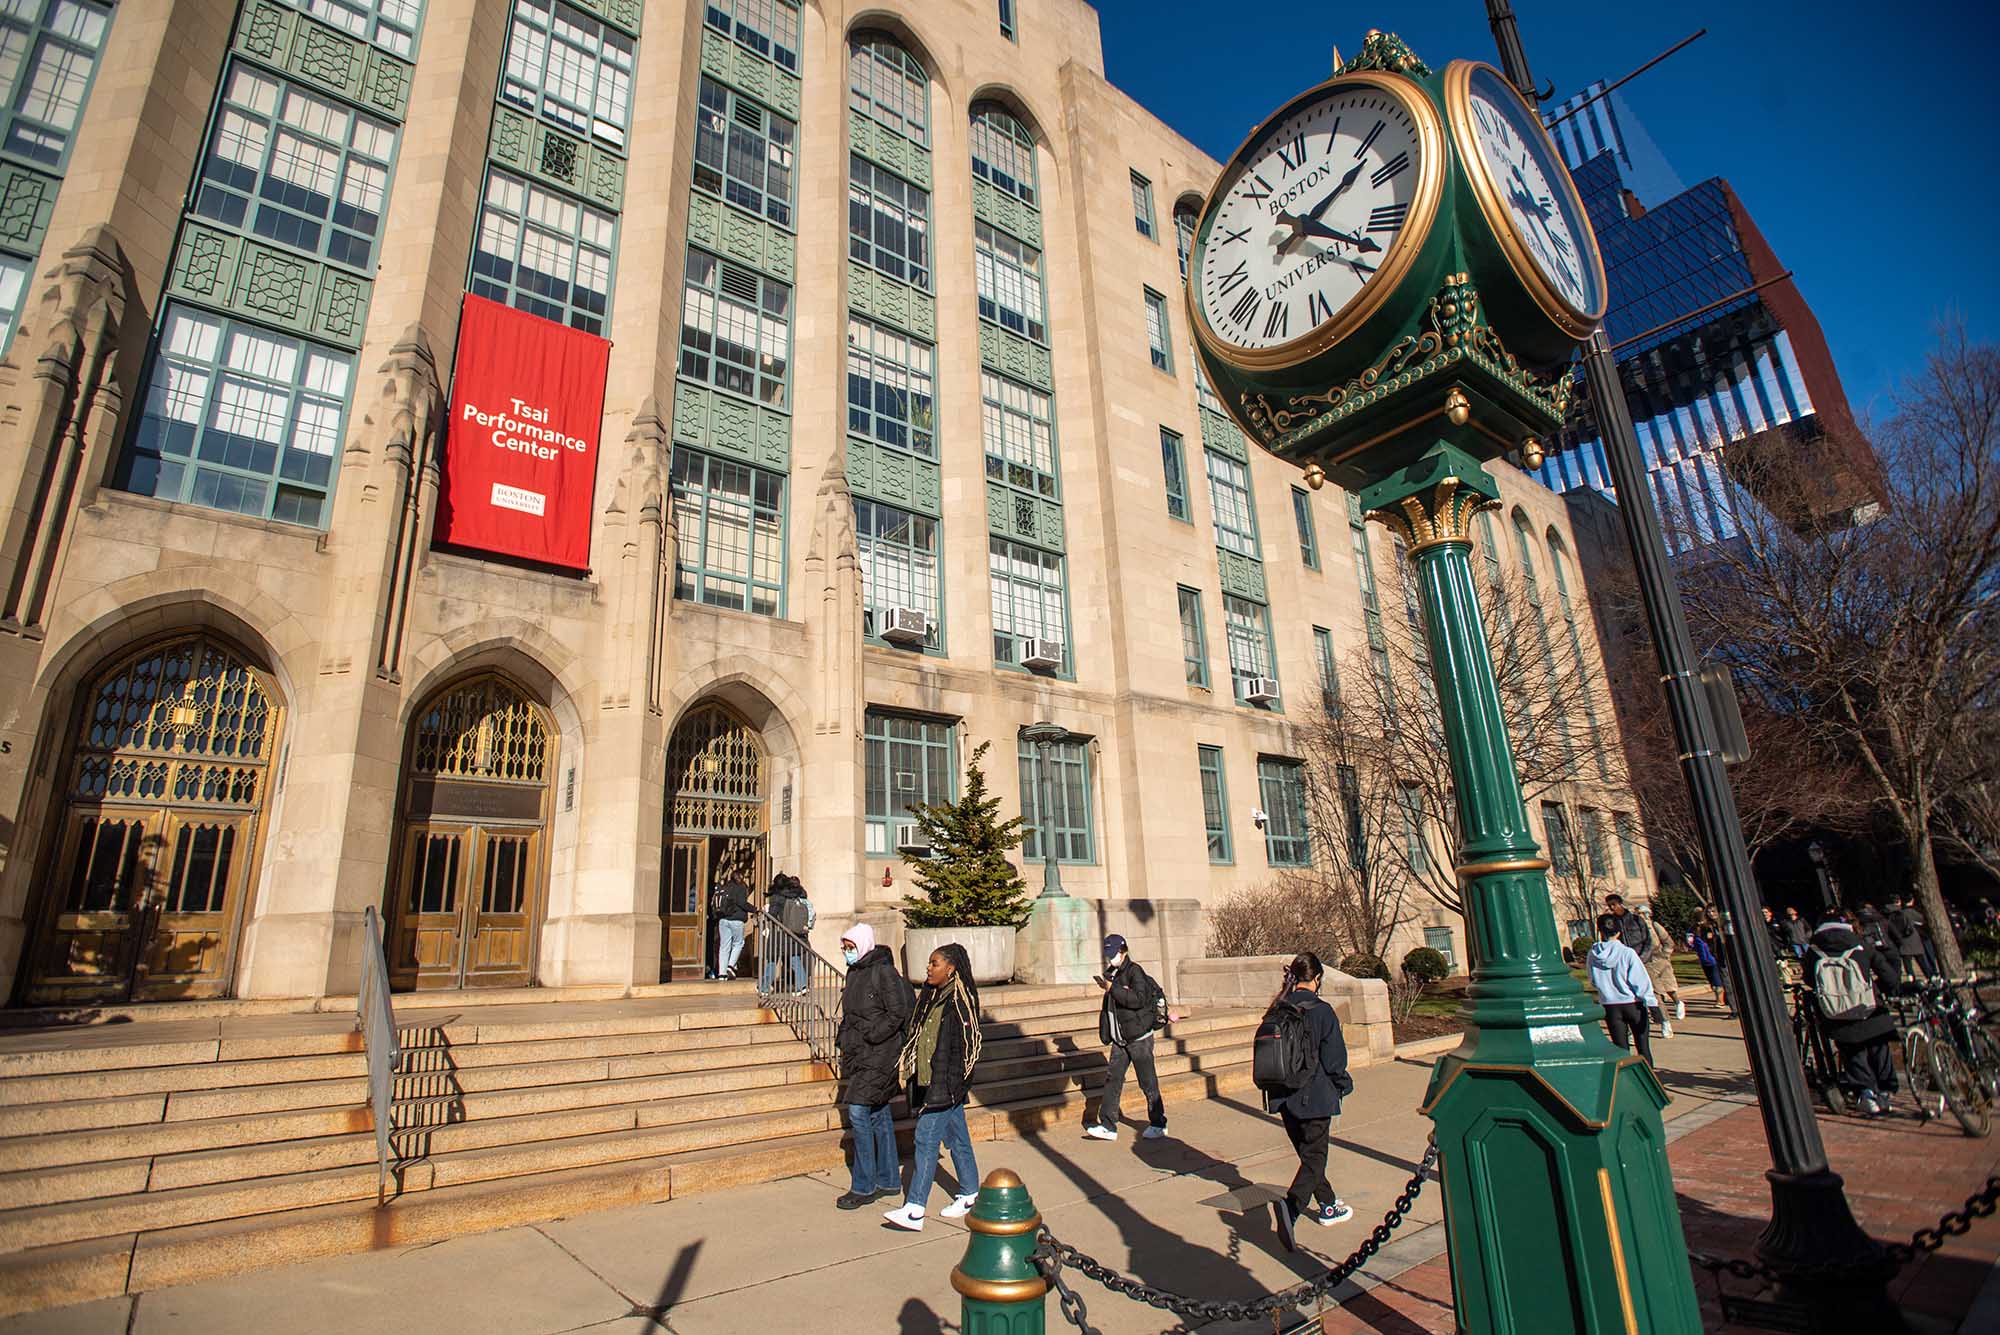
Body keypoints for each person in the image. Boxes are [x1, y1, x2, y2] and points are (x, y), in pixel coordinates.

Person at [884, 943, 983, 1231]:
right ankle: (970, 1192)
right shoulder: (930, 997)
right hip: (931, 1079)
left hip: (946, 1082)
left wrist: (956, 1081)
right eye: (929, 963)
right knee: (958, 1138)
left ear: (950, 968)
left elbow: (970, 1044)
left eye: (935, 963)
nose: (929, 968)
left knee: (925, 1139)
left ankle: (915, 1208)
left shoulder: (959, 999)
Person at [1264, 952, 1356, 1250]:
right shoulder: (1322, 1011)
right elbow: (1334, 1060)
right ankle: (1291, 1210)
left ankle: (1328, 1204)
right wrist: (1343, 1084)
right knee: (1315, 1159)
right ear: (1317, 979)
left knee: (1309, 1158)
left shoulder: (1277, 1009)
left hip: (1283, 1097)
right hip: (1314, 1096)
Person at [834, 923, 909, 1210]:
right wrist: (844, 1038)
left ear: (863, 945)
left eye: (850, 947)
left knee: (859, 1111)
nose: (846, 952)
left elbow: (897, 1012)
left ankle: (864, 1185)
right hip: (860, 1054)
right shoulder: (854, 974)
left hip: (881, 1054)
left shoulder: (884, 972)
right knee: (878, 1113)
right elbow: (850, 1015)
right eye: (844, 947)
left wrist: (874, 1035)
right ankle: (889, 1179)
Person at [1806, 907, 1903, 1117]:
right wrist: (1887, 989)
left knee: (1852, 1052)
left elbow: (1808, 979)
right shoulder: (1860, 944)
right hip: (1868, 1006)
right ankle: (1886, 1091)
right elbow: (1887, 973)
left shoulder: (1813, 949)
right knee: (1878, 1046)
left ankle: (1866, 1093)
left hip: (1835, 1011)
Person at [1086, 934, 1168, 1142]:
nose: (1110, 958)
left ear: (1123, 952)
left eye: (1113, 954)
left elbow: (1137, 999)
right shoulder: (1111, 974)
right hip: (1120, 1038)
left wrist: (1112, 989)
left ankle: (1158, 1122)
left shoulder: (1134, 972)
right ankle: (1108, 1125)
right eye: (1108, 954)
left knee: (1147, 1082)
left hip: (1139, 1037)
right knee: (1113, 1079)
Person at [1587, 913, 1656, 1066]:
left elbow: (1592, 979)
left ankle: (1626, 1084)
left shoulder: (1592, 954)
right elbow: (1640, 980)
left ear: (1600, 931)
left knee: (1621, 1050)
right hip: (1632, 1004)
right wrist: (1651, 1002)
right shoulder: (1627, 953)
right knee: (1643, 1047)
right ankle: (1652, 1080)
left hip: (1610, 1006)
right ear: (1618, 932)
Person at [763, 873, 815, 995]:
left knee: (772, 959)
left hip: (778, 931)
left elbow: (772, 915)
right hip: (790, 932)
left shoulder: (777, 897)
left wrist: (765, 912)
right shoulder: (793, 895)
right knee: (793, 958)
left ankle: (764, 988)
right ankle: (801, 985)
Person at [1638, 906, 1682, 1035]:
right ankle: (1665, 1022)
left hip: (1661, 962)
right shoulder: (1635, 930)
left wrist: (1665, 955)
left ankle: (1678, 1003)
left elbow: (1668, 942)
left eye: (1641, 913)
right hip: (1646, 964)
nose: (1639, 916)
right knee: (1655, 994)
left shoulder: (1654, 926)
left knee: (1669, 989)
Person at [710, 876, 752, 980]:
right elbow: (742, 903)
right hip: (737, 920)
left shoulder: (725, 887)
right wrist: (754, 909)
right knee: (738, 943)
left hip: (723, 920)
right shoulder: (741, 888)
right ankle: (730, 966)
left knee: (724, 946)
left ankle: (722, 973)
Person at [1889, 896, 1935, 981]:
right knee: (1922, 962)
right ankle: (1931, 978)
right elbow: (1922, 920)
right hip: (1913, 939)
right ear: (1899, 901)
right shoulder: (1908, 912)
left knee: (1908, 965)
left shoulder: (1889, 914)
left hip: (1902, 941)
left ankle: (1912, 981)